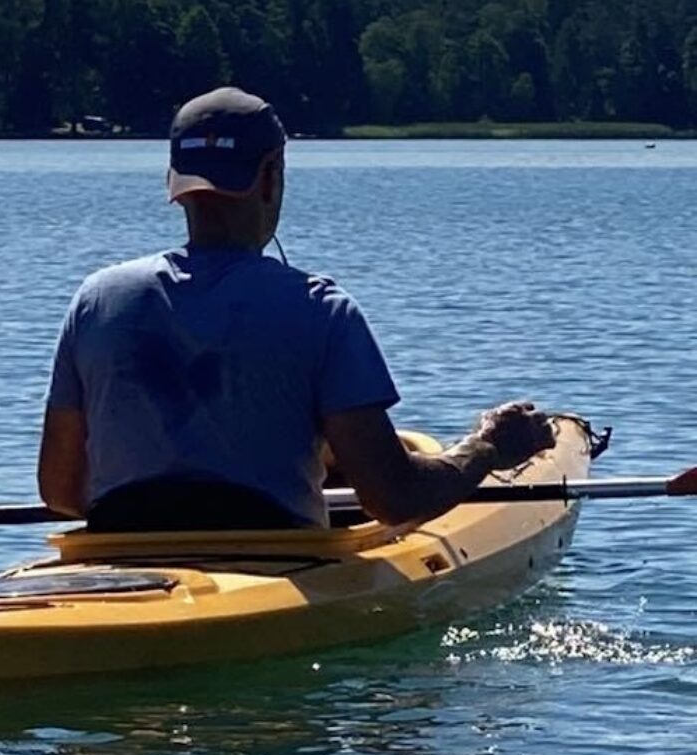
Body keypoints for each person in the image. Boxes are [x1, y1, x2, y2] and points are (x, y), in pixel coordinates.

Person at [38, 86, 553, 531]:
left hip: (122, 558)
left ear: (174, 182)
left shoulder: (96, 299)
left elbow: (60, 490)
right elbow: (395, 499)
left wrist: (163, 508)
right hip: (274, 563)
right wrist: (486, 448)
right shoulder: (321, 311)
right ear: (269, 176)